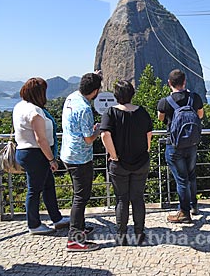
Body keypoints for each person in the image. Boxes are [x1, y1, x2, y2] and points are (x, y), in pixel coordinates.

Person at [13, 78, 69, 234]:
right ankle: (34, 225)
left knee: (48, 186)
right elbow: (41, 139)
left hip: (25, 152)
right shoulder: (34, 111)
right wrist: (51, 159)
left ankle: (56, 218)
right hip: (36, 154)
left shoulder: (19, 106)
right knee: (34, 190)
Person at [100, 80, 153, 246]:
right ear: (132, 94)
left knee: (122, 199)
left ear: (116, 96)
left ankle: (121, 236)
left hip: (119, 164)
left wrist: (114, 155)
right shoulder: (142, 112)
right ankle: (139, 234)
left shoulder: (110, 113)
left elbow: (104, 135)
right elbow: (148, 134)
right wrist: (146, 150)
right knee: (138, 198)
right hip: (141, 161)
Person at [61, 72, 102, 252]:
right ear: (94, 91)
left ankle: (81, 228)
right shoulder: (85, 109)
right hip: (80, 158)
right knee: (81, 197)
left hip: (68, 154)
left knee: (79, 195)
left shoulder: (71, 98)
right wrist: (98, 131)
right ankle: (74, 239)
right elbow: (88, 139)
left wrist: (95, 76)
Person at [157, 69, 204, 223]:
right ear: (185, 82)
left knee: (181, 180)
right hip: (191, 144)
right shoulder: (195, 98)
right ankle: (193, 206)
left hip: (174, 145)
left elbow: (160, 118)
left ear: (169, 83)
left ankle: (184, 213)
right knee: (191, 175)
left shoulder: (165, 102)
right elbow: (200, 115)